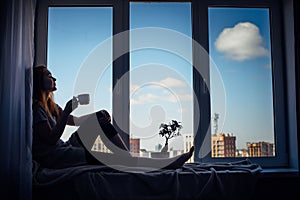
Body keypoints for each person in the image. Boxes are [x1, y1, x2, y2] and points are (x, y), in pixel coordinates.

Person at [32, 65, 194, 170]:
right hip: (57, 157)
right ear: (39, 81)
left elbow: (75, 121)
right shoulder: (38, 108)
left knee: (99, 120)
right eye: (48, 75)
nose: (54, 78)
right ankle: (162, 163)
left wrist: (97, 114)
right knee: (109, 158)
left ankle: (128, 158)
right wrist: (67, 111)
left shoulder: (52, 106)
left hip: (65, 147)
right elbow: (51, 140)